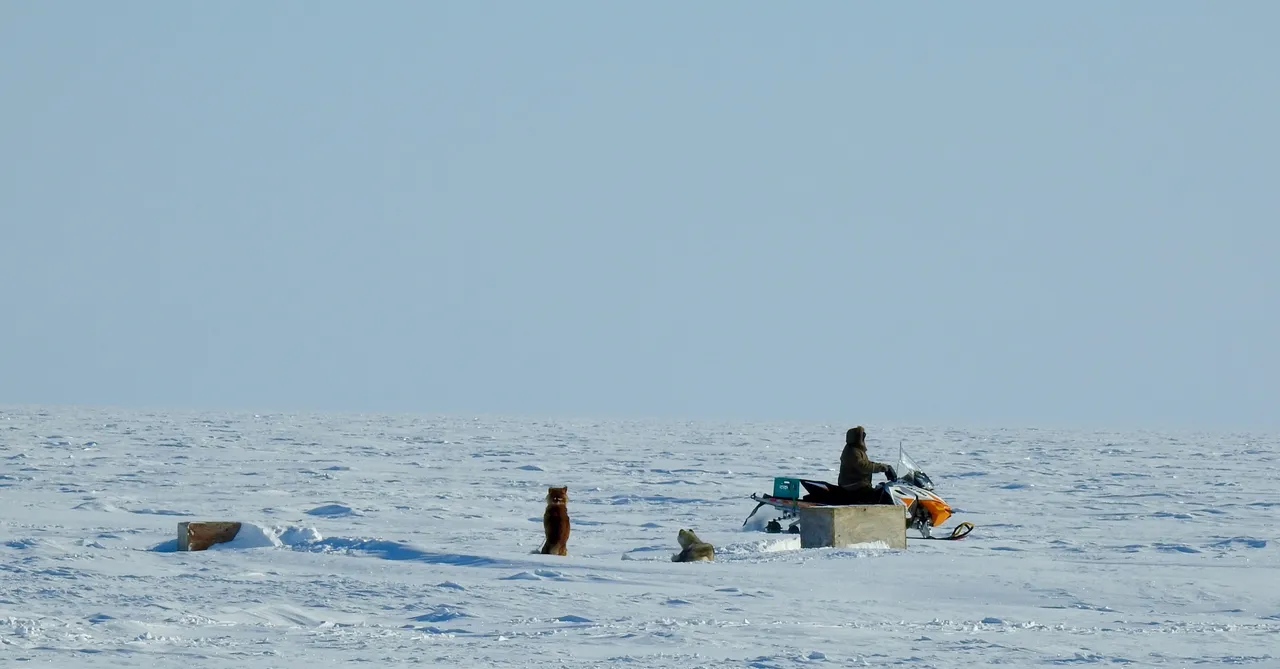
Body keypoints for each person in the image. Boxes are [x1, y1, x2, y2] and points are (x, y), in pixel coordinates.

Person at [836, 426, 897, 504]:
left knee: (881, 491)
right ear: (858, 438)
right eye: (862, 436)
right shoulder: (853, 451)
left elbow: (866, 463)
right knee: (880, 497)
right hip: (854, 486)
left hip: (856, 484)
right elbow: (863, 466)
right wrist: (882, 468)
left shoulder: (855, 449)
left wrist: (883, 466)